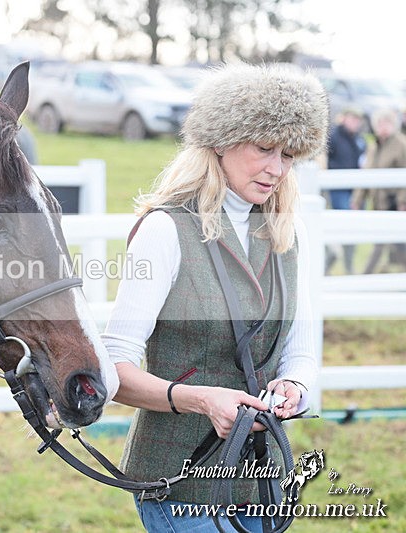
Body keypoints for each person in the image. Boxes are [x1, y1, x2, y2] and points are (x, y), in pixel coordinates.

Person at [102, 63, 327, 532]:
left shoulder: (290, 233)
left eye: (289, 155)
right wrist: (203, 400)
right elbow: (115, 371)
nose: (277, 169)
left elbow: (300, 354)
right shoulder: (165, 230)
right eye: (264, 148)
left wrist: (293, 388)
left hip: (260, 481)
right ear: (222, 141)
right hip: (179, 482)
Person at [351, 108, 406, 273]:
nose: (383, 127)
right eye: (380, 123)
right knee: (389, 242)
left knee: (388, 242)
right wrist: (358, 199)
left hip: (394, 202)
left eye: (387, 123)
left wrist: (403, 202)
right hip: (377, 202)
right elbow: (367, 174)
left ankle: (366, 276)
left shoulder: (401, 144)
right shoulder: (373, 146)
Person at [325, 106, 366, 274]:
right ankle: (328, 262)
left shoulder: (359, 140)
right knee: (342, 224)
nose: (354, 123)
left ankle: (348, 265)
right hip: (338, 188)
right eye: (351, 118)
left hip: (354, 189)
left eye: (357, 120)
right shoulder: (333, 136)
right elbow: (325, 158)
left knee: (353, 227)